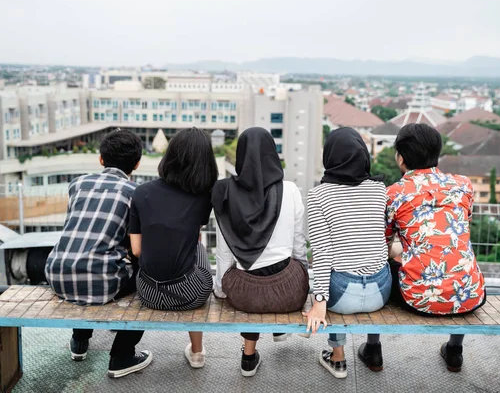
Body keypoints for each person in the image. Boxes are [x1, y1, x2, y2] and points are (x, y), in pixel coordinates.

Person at [45, 129, 152, 379]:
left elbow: (81, 230)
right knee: (149, 280)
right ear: (136, 164)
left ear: (101, 159)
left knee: (85, 254)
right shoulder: (135, 193)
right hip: (100, 281)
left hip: (57, 273)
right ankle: (122, 356)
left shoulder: (77, 184)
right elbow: (133, 244)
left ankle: (79, 341)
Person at [385, 123, 486, 372]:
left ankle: (373, 348)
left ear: (400, 157)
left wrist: (402, 253)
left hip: (418, 299)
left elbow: (384, 245)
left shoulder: (393, 194)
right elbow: (456, 232)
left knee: (383, 268)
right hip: (469, 294)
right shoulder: (463, 185)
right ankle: (454, 350)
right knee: (458, 259)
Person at [212, 127, 309, 377]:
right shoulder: (290, 190)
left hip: (244, 294)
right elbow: (299, 247)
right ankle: (278, 324)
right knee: (285, 264)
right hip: (289, 292)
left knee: (248, 274)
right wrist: (301, 282)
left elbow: (223, 253)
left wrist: (222, 291)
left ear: (241, 155)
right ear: (272, 154)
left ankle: (248, 357)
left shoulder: (225, 192)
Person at [304, 127, 391, 379]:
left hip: (341, 296)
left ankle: (338, 357)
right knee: (383, 261)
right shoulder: (379, 190)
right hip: (380, 292)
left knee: (330, 272)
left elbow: (321, 252)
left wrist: (319, 302)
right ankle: (374, 347)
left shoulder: (318, 195)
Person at [129, 128, 217, 369]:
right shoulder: (203, 197)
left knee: (189, 251)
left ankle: (196, 350)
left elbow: (136, 251)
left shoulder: (141, 192)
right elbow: (190, 235)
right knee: (197, 248)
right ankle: (197, 352)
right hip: (191, 295)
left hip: (147, 292)